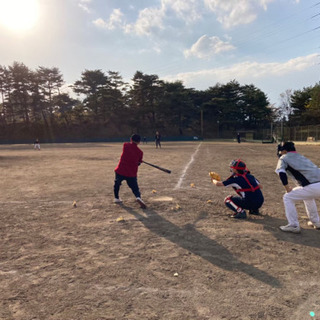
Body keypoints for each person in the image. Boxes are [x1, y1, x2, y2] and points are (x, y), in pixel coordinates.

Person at [275, 141, 320, 233]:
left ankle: (293, 225)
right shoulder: (301, 156)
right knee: (307, 196)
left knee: (287, 197)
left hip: (312, 186)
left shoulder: (284, 158)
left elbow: (281, 173)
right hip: (315, 185)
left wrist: (287, 188)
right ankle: (316, 222)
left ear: (284, 150)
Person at [113, 134, 146, 209]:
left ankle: (116, 198)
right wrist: (140, 161)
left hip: (120, 170)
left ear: (131, 139)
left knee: (117, 184)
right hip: (131, 173)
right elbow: (138, 164)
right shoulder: (140, 152)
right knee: (135, 187)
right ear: (139, 142)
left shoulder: (126, 145)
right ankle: (138, 197)